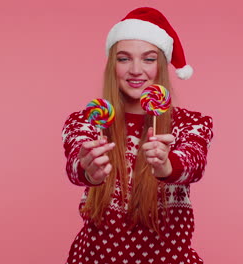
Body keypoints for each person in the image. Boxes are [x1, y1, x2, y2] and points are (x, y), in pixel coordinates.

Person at [62, 7, 214, 264]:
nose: (135, 70)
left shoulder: (190, 123)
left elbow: (194, 162)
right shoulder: (89, 121)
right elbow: (76, 158)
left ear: (162, 65)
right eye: (123, 59)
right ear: (112, 64)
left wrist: (167, 165)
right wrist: (88, 169)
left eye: (148, 59)